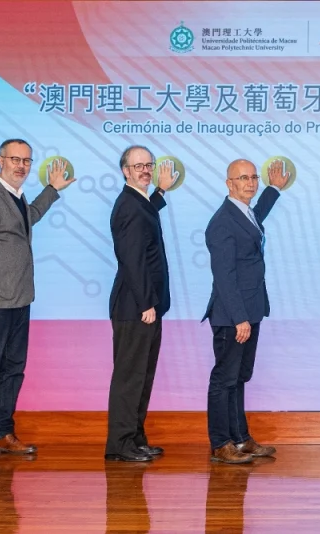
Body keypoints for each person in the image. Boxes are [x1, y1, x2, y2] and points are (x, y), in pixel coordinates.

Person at [0, 139, 74, 461]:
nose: (21, 166)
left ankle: (1, 434)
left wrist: (52, 189)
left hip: (19, 299)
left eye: (26, 161)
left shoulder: (16, 196)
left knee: (12, 369)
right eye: (15, 159)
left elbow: (27, 218)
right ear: (1, 160)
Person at [203, 159, 287, 464]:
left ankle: (240, 439)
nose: (250, 183)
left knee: (238, 377)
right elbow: (224, 276)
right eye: (242, 178)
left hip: (250, 310)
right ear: (229, 184)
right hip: (232, 316)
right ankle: (220, 443)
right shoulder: (222, 221)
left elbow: (255, 219)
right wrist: (239, 318)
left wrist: (273, 188)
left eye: (253, 177)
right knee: (224, 380)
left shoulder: (245, 213)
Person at [105, 145, 175, 462]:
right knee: (130, 378)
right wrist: (146, 302)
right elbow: (132, 259)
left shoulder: (139, 202)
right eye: (138, 166)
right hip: (136, 306)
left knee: (142, 377)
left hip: (146, 305)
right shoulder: (128, 206)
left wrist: (160, 191)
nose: (145, 170)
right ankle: (120, 444)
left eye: (149, 165)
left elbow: (147, 217)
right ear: (125, 171)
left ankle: (134, 438)